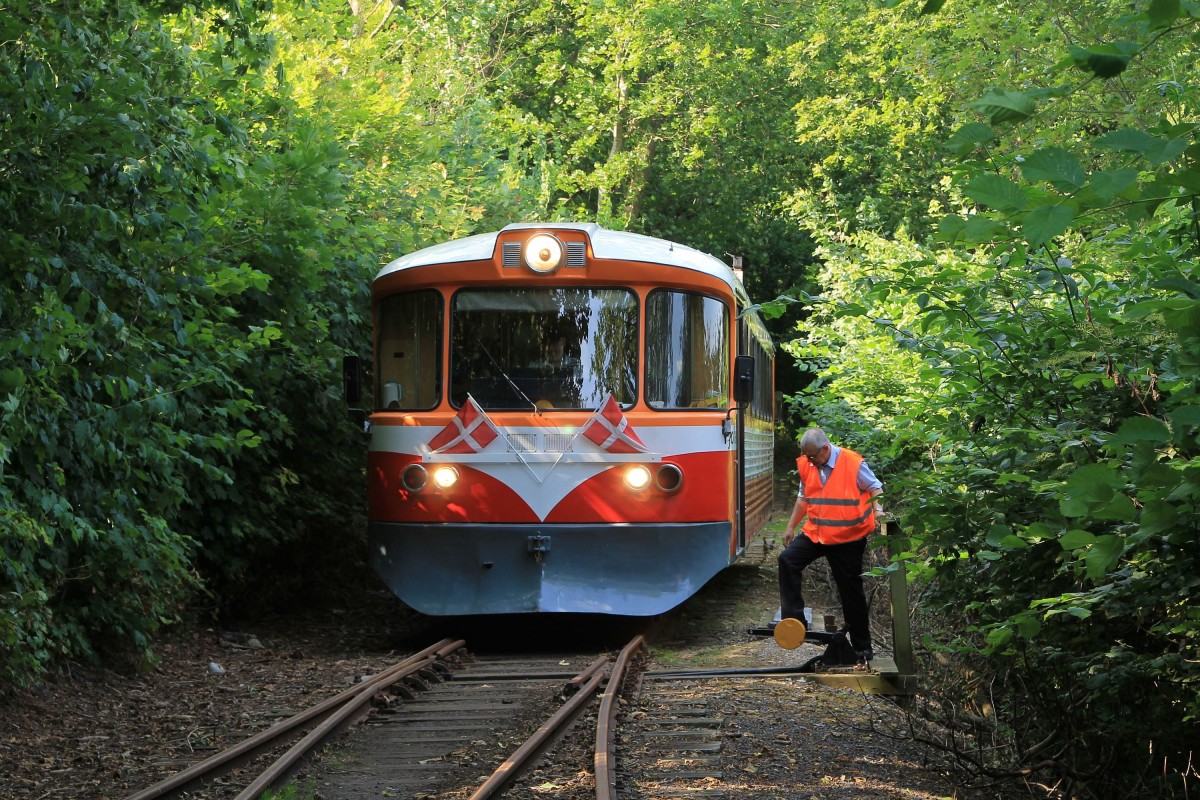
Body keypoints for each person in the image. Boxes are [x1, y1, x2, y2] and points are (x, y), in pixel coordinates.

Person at [778, 427, 884, 665]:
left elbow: (875, 487)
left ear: (826, 449)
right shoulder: (807, 464)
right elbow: (804, 498)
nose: (809, 461)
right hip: (817, 533)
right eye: (806, 456)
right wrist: (790, 526)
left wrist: (878, 511)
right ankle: (794, 621)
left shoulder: (852, 463)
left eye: (813, 456)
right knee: (788, 559)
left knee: (851, 592)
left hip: (848, 538)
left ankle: (862, 648)